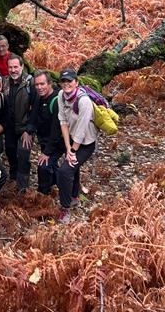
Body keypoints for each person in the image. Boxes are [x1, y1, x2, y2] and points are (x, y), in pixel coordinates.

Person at [57, 68, 98, 223]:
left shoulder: (84, 101)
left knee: (65, 171)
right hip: (71, 139)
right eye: (63, 81)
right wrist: (68, 147)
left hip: (86, 143)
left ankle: (65, 208)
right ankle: (74, 197)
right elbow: (63, 121)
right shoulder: (61, 95)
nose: (66, 84)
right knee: (73, 167)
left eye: (70, 81)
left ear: (76, 82)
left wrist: (73, 151)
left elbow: (81, 131)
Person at [24, 69, 64, 198]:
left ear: (50, 83)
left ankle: (43, 195)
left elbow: (56, 131)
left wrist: (47, 152)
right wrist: (28, 131)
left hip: (58, 142)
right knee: (51, 166)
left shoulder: (56, 101)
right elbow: (34, 114)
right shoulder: (39, 97)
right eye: (37, 85)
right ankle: (59, 185)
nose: (39, 87)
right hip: (45, 139)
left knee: (43, 166)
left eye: (42, 84)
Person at [2, 55, 33, 190]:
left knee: (23, 153)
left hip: (25, 127)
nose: (13, 70)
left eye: (16, 67)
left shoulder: (30, 83)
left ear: (21, 66)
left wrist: (29, 130)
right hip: (9, 127)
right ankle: (13, 177)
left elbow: (36, 108)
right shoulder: (5, 82)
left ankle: (23, 186)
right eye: (10, 67)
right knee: (10, 151)